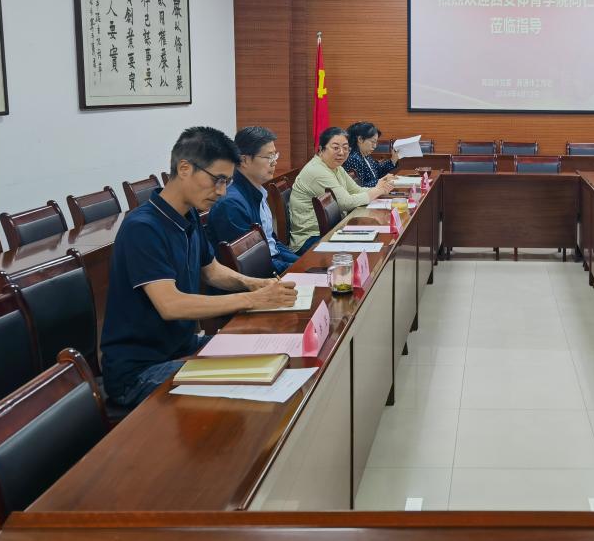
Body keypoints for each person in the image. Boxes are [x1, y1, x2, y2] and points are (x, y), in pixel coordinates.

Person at [101, 127, 298, 408]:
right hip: (140, 372)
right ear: (184, 168)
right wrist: (253, 298)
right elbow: (170, 305)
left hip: (183, 348)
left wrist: (255, 283)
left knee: (273, 355)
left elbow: (212, 270)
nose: (222, 191)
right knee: (252, 393)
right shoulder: (143, 228)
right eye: (217, 180)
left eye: (227, 182)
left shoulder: (189, 214)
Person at [207, 126, 298, 274]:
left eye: (275, 156)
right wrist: (297, 269)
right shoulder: (231, 205)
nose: (274, 162)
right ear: (244, 160)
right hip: (255, 281)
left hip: (272, 266)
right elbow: (253, 265)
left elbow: (273, 243)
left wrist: (301, 262)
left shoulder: (258, 192)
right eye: (268, 157)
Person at [289, 126, 393, 253]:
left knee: (378, 239)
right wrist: (377, 191)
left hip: (331, 229)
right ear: (321, 149)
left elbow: (356, 190)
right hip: (310, 238)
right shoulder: (317, 170)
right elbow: (345, 202)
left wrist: (379, 187)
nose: (342, 152)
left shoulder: (336, 167)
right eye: (335, 148)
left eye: (345, 148)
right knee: (372, 247)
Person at [344, 121, 399, 188]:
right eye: (373, 142)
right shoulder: (354, 158)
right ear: (360, 139)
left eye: (376, 142)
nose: (375, 146)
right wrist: (383, 180)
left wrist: (393, 160)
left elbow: (378, 170)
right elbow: (360, 188)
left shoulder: (366, 155)